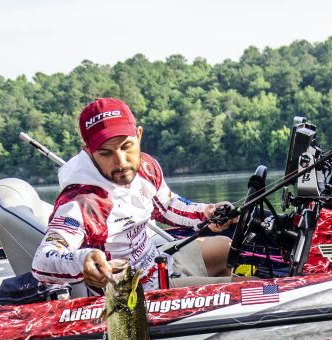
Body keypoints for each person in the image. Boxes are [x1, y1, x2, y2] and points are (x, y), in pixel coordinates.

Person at [31, 97, 236, 294]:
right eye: (105, 153)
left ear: (138, 135)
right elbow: (43, 259)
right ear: (88, 152)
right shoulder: (83, 202)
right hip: (135, 293)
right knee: (255, 287)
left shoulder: (146, 167)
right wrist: (83, 260)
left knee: (226, 248)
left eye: (126, 146)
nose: (120, 162)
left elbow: (167, 205)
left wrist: (207, 212)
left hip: (158, 262)